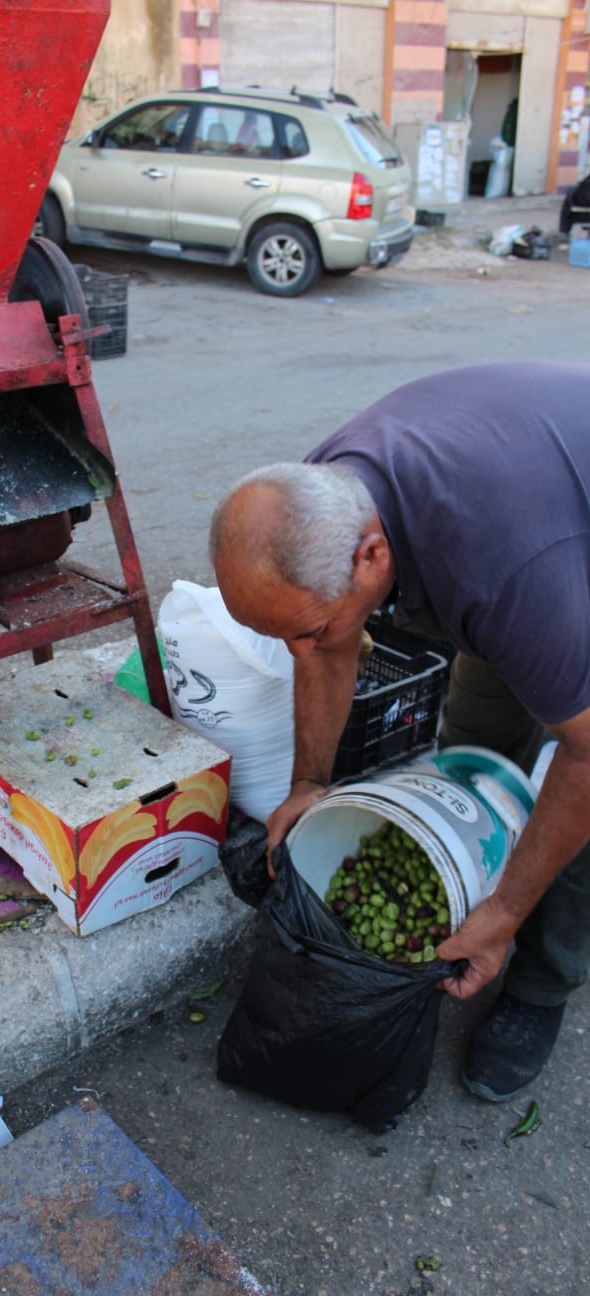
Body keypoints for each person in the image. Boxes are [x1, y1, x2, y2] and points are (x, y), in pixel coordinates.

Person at [209, 361, 590, 1103]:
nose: (299, 651)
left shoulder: (502, 574)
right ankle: (493, 882)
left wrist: (507, 913)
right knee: (476, 735)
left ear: (373, 557)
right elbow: (328, 650)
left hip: (551, 538)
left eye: (306, 629)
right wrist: (308, 786)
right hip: (520, 508)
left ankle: (543, 985)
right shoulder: (321, 500)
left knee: (575, 776)